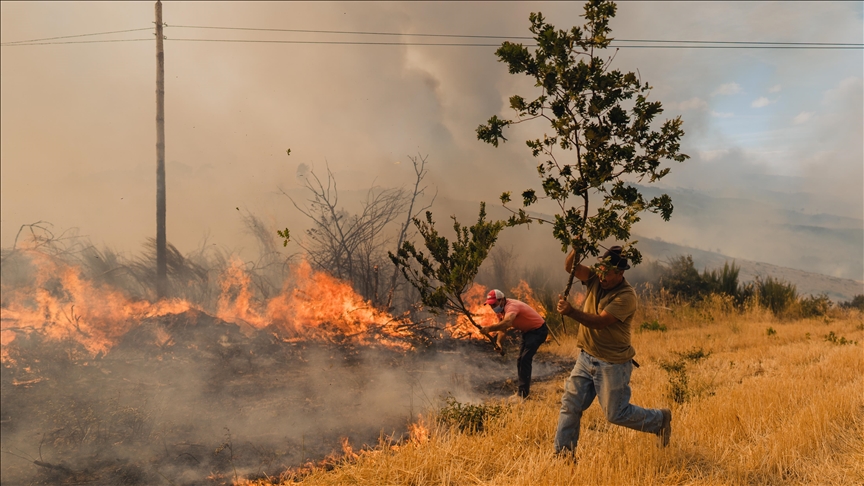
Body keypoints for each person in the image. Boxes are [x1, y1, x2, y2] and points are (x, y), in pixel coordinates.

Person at [554, 246, 672, 455]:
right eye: (600, 270)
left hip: (612, 363)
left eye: (607, 273)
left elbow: (600, 323)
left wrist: (571, 311)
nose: (601, 276)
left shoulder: (626, 296)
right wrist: (576, 247)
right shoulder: (596, 276)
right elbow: (570, 267)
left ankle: (659, 420)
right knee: (570, 405)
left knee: (616, 414)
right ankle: (563, 454)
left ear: (620, 273)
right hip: (586, 357)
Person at [479, 289, 549, 399]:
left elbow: (507, 322)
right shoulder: (500, 312)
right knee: (520, 360)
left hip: (538, 331)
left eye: (494, 304)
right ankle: (521, 392)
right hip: (527, 332)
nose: (492, 307)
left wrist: (489, 328)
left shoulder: (511, 306)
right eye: (491, 305)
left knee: (525, 359)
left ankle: (523, 395)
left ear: (502, 300)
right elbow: (503, 329)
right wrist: (499, 343)